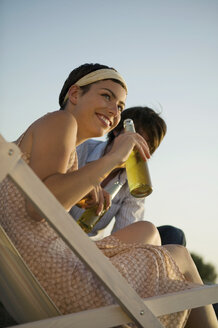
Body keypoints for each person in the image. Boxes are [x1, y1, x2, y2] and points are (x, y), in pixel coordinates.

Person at [0, 63, 217, 327]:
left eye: (121, 106)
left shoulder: (64, 139)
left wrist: (84, 186)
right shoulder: (61, 121)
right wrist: (114, 158)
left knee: (153, 233)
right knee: (179, 256)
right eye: (106, 96)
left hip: (46, 271)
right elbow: (39, 207)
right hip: (61, 281)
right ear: (75, 94)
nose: (114, 110)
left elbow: (40, 194)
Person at [70, 106, 187, 246]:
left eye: (146, 144)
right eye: (134, 137)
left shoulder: (137, 183)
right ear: (116, 131)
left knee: (173, 235)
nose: (137, 146)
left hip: (89, 244)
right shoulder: (82, 148)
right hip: (52, 224)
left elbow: (124, 236)